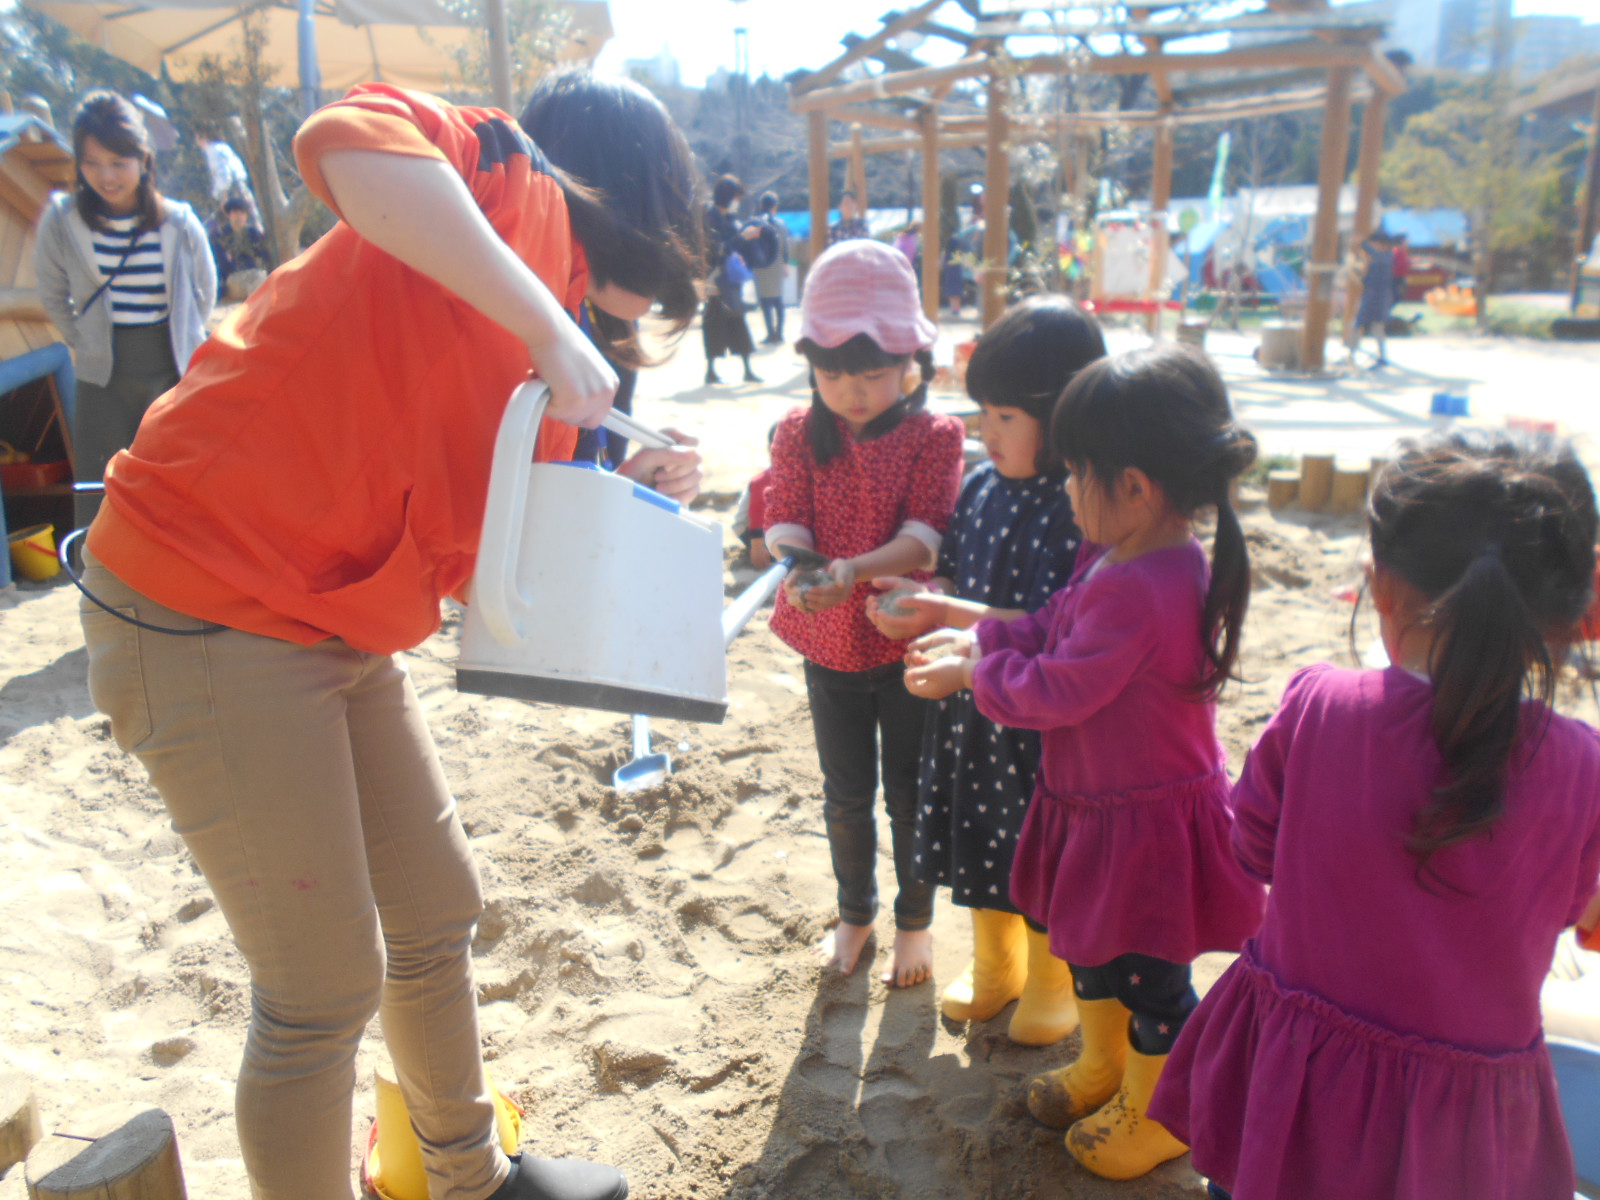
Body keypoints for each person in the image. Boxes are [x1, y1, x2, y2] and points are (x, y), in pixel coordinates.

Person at [76, 72, 703, 1200]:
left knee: (434, 910)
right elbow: (347, 145)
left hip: (335, 621)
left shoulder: (557, 324)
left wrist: (624, 475)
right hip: (204, 598)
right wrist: (543, 321)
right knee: (318, 993)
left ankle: (459, 1175)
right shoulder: (503, 170)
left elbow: (497, 560)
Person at [1150, 429, 1600, 1200]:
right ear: (1576, 613)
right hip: (1456, 1136)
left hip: (1294, 1090)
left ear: (1379, 586)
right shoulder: (1582, 766)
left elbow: (1252, 846)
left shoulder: (1323, 705)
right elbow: (1578, 914)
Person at [905, 345, 1267, 1180]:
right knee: (1097, 955)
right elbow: (1051, 624)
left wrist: (973, 672)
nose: (1064, 490)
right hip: (1098, 809)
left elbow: (1060, 690)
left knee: (1152, 982)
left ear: (1134, 486)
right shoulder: (1118, 556)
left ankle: (1161, 1110)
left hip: (1140, 827)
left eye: (1076, 476)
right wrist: (985, 636)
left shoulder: (1143, 583)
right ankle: (1105, 1069)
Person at [864, 295, 1106, 1045]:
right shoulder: (977, 488)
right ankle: (996, 965)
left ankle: (1050, 981)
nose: (986, 433)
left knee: (1035, 846)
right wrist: (920, 601)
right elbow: (958, 580)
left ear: (1065, 416)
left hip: (1034, 714)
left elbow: (1050, 625)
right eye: (983, 414)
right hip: (969, 707)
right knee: (975, 832)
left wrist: (944, 614)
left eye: (1007, 417)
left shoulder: (1077, 508)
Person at [762, 239, 965, 987]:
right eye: (832, 373)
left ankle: (915, 922)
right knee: (845, 793)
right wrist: (807, 567)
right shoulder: (795, 429)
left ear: (910, 362)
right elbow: (785, 519)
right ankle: (856, 911)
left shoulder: (935, 434)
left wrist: (854, 570)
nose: (851, 390)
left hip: (904, 637)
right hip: (829, 642)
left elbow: (925, 535)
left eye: (872, 374)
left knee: (910, 792)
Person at [35, 91, 216, 528]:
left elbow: (204, 292)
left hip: (170, 369)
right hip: (104, 374)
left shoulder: (178, 221)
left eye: (118, 162)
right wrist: (84, 341)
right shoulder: (63, 218)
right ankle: (97, 591)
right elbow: (52, 293)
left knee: (175, 482)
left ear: (143, 159)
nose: (106, 176)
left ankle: (175, 585)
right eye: (92, 163)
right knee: (100, 487)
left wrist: (187, 343)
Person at [702, 174, 762, 385]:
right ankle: (711, 370)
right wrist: (743, 237)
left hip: (730, 280)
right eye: (736, 196)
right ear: (728, 196)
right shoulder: (710, 217)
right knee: (714, 323)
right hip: (716, 280)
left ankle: (745, 368)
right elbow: (718, 249)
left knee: (737, 321)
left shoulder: (728, 218)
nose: (738, 201)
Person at [1348, 229, 1396, 368]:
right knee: (1369, 326)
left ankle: (1357, 354)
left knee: (1364, 325)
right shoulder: (1384, 256)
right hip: (1376, 295)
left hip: (1376, 296)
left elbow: (1371, 252)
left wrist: (1362, 243)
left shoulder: (1384, 257)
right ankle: (1353, 354)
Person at [207, 195, 271, 301]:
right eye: (236, 213)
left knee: (260, 278)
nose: (239, 216)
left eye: (242, 213)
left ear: (246, 216)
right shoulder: (221, 236)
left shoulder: (254, 233)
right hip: (233, 279)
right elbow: (223, 265)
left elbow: (263, 257)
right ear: (229, 215)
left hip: (254, 275)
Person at [752, 191, 790, 345]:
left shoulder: (756, 223)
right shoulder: (781, 224)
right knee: (778, 300)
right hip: (777, 264)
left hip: (760, 265)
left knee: (765, 301)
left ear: (761, 206)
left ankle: (770, 333)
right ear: (775, 207)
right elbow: (785, 246)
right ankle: (779, 333)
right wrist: (785, 263)